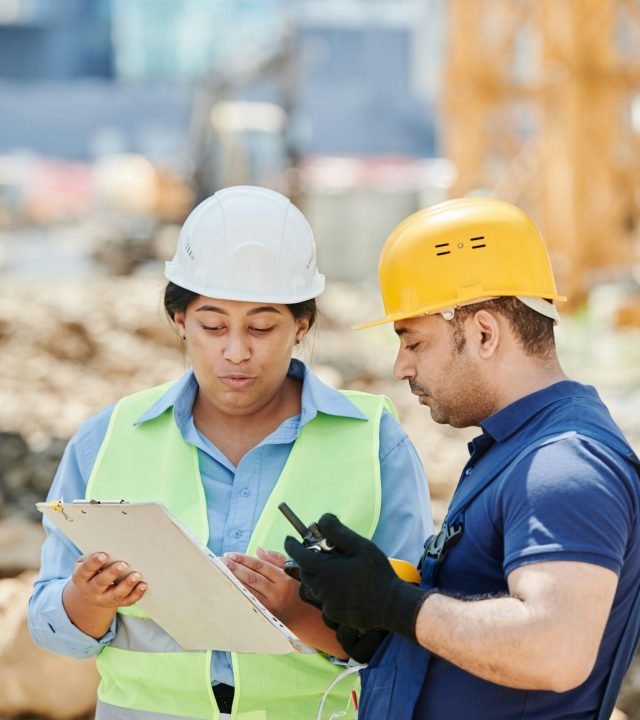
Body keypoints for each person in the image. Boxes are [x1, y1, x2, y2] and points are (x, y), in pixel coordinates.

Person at [28, 185, 432, 720]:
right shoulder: (108, 439)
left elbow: (411, 634)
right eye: (212, 326)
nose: (236, 351)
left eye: (262, 327)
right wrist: (89, 602)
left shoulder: (372, 442)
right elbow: (50, 623)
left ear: (301, 326)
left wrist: (300, 614)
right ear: (180, 323)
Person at [286, 197, 640, 720]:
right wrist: (377, 625)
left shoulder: (563, 463)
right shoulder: (516, 450)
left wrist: (394, 603)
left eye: (413, 340)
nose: (400, 366)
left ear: (483, 332)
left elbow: (554, 650)